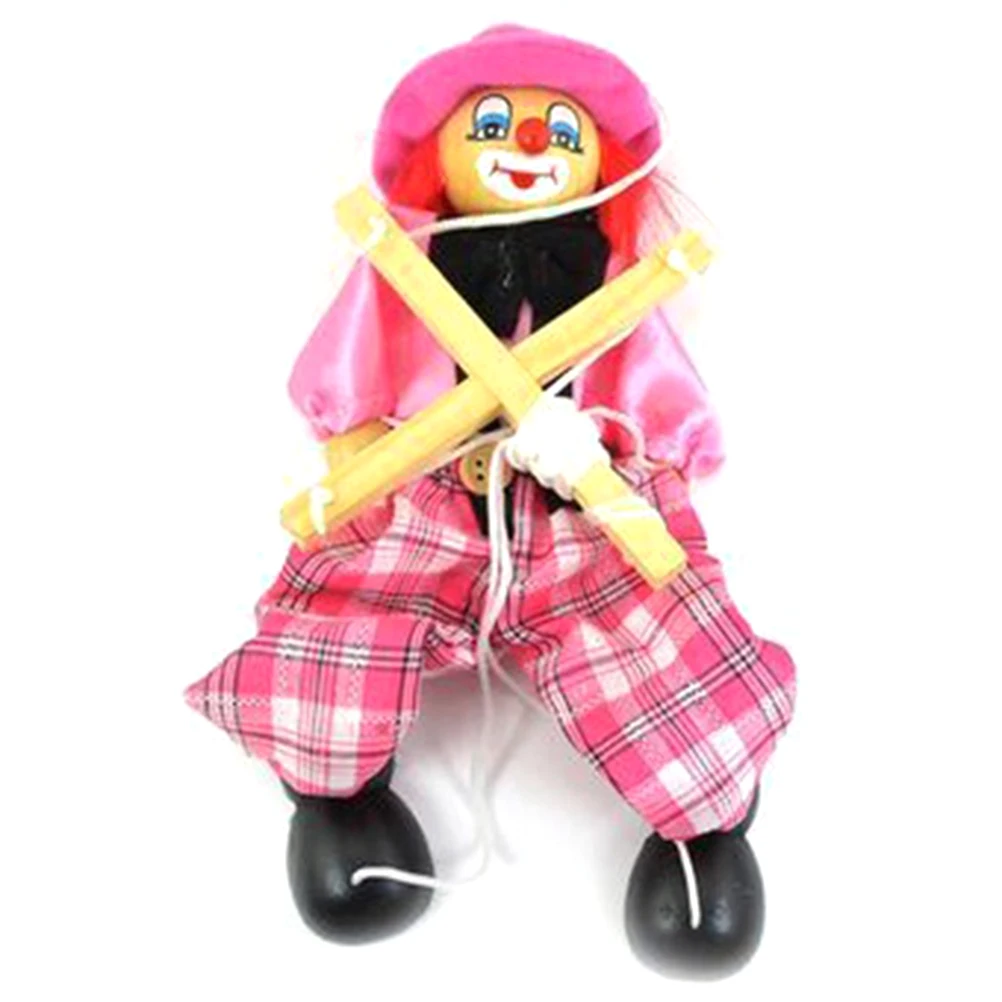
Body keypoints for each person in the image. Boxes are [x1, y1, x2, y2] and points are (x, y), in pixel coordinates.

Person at [186, 25, 797, 979]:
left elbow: (658, 397)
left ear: (598, 166)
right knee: (340, 626)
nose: (527, 145)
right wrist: (356, 449)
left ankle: (701, 837)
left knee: (655, 643)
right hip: (425, 489)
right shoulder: (403, 265)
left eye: (561, 132)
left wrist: (624, 452)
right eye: (494, 125)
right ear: (439, 157)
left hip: (580, 503)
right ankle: (342, 808)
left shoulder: (616, 284)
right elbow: (350, 371)